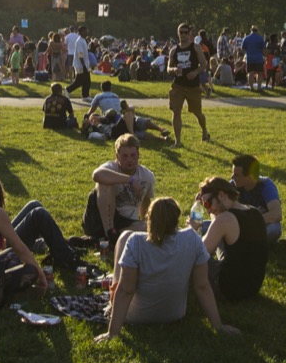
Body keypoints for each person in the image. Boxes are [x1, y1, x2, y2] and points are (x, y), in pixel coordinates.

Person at [97, 197, 238, 342]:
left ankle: (111, 301)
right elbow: (202, 286)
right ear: (177, 218)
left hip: (135, 315)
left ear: (149, 219)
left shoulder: (135, 241)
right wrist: (218, 326)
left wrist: (112, 333)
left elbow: (126, 291)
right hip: (174, 314)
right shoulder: (192, 239)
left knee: (124, 236)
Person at [196, 176, 269, 302]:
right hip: (252, 287)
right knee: (212, 232)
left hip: (229, 289)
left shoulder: (225, 219)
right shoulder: (254, 211)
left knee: (192, 256)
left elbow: (198, 252)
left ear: (221, 195)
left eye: (207, 204)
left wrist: (191, 229)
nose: (208, 210)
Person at [83, 132, 157, 244]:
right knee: (105, 183)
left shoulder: (147, 176)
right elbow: (97, 175)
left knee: (154, 228)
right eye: (125, 156)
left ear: (138, 155)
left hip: (126, 223)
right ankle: (110, 234)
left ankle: (98, 241)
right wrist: (130, 180)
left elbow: (146, 202)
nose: (129, 160)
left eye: (133, 155)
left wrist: (144, 223)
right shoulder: (111, 168)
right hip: (99, 219)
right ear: (117, 156)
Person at [166, 22, 211, 144]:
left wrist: (195, 72)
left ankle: (205, 131)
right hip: (178, 85)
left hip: (193, 86)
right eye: (181, 32)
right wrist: (174, 70)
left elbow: (204, 64)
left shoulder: (195, 48)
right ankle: (178, 141)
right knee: (176, 111)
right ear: (178, 33)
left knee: (197, 112)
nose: (184, 35)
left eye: (186, 32)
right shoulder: (174, 50)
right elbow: (168, 68)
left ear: (189, 34)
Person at [229, 153, 282, 239]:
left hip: (260, 227)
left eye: (237, 175)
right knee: (205, 226)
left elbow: (276, 214)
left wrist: (249, 222)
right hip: (236, 228)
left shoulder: (266, 186)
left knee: (274, 229)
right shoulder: (232, 186)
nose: (232, 177)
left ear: (250, 177)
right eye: (233, 173)